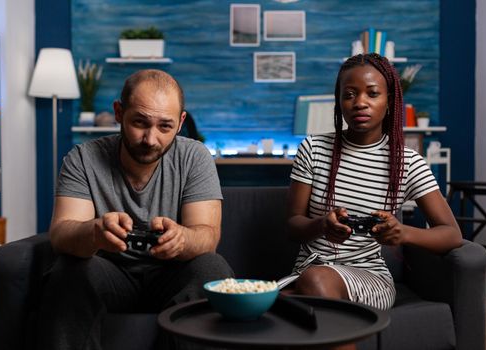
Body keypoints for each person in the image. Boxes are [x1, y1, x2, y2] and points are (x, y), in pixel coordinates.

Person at [37, 69, 233, 349]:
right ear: (119, 112)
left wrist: (182, 238)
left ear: (180, 123)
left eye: (164, 127)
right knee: (69, 270)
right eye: (140, 122)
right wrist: (95, 232)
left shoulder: (195, 157)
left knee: (213, 266)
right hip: (108, 274)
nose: (150, 139)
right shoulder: (83, 158)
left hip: (172, 276)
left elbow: (208, 237)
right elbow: (61, 234)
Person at [281, 53, 462, 348]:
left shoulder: (408, 162)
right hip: (306, 272)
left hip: (368, 277)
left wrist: (402, 233)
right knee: (279, 300)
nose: (360, 102)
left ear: (390, 100)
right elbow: (292, 226)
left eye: (372, 93)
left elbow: (452, 235)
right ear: (338, 102)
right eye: (349, 94)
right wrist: (321, 226)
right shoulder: (313, 148)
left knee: (312, 286)